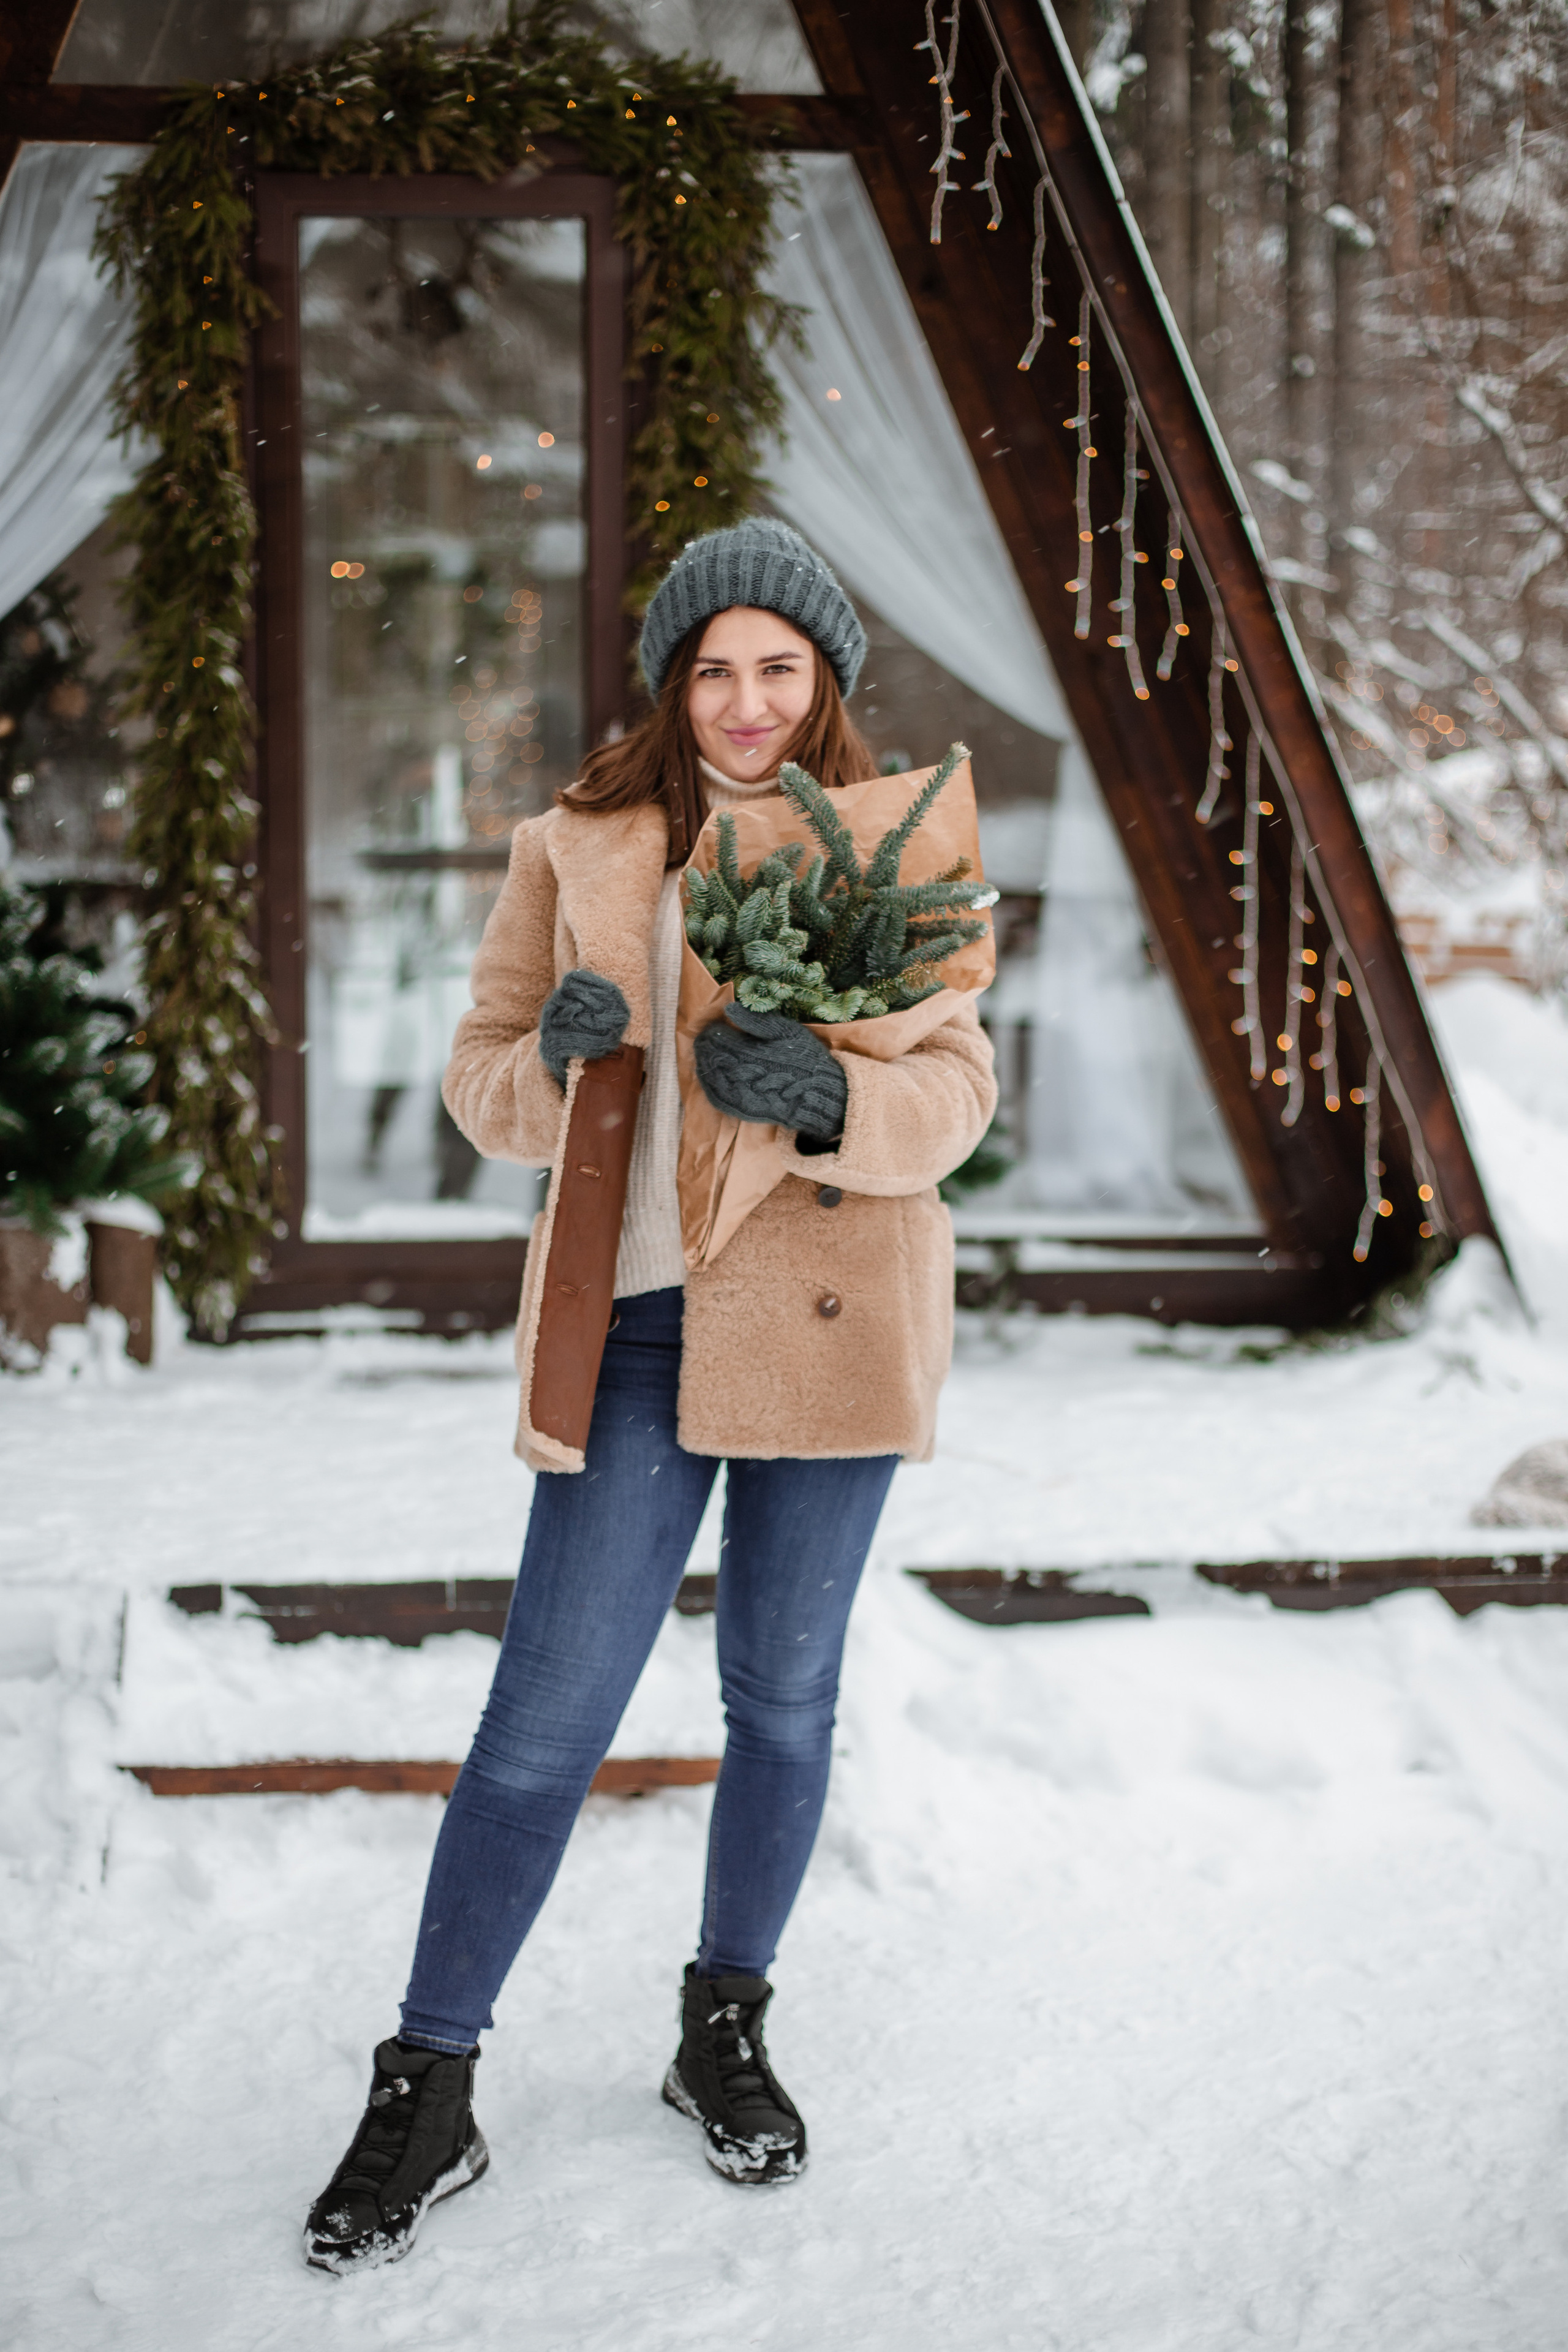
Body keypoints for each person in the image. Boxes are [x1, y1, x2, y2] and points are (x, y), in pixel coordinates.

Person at [303, 519, 997, 2273]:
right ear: (671, 682)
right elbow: (482, 1078)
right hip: (631, 1330)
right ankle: (429, 2078)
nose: (747, 703)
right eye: (714, 668)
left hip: (831, 1324)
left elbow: (961, 1097)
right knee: (545, 1719)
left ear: (820, 680)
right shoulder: (577, 844)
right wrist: (553, 1062)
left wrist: (835, 1100)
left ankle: (725, 2025)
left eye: (778, 668)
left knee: (779, 1701)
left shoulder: (904, 843)